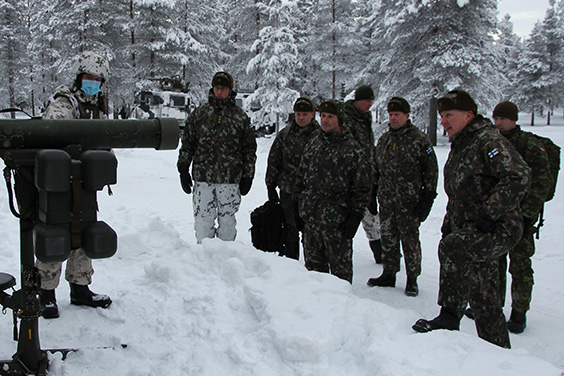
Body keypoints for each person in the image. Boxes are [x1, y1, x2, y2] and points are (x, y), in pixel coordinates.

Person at [412, 90, 531, 349]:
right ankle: (499, 352)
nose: (443, 121)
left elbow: (519, 175)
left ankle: (449, 316)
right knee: (483, 295)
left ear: (468, 115)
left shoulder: (487, 141)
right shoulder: (462, 143)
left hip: (498, 228)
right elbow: (459, 194)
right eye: (442, 116)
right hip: (472, 227)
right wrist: (449, 224)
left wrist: (490, 213)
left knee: (454, 247)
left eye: (449, 115)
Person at [38, 51, 113, 319]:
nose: (92, 83)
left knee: (84, 229)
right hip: (59, 179)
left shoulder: (98, 105)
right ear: (79, 77)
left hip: (86, 180)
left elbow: (105, 137)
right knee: (57, 231)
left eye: (97, 79)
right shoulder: (64, 101)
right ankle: (46, 293)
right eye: (89, 78)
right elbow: (55, 132)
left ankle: (80, 287)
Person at [367, 97, 438, 297]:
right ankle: (389, 273)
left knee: (410, 241)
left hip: (410, 203)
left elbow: (431, 171)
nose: (393, 118)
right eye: (390, 115)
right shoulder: (385, 140)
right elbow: (375, 167)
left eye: (397, 115)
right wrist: (372, 192)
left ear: (407, 116)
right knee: (388, 238)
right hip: (387, 201)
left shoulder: (419, 140)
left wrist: (428, 198)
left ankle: (412, 278)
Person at [295, 100, 371, 283]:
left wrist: (355, 216)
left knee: (340, 279)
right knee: (313, 276)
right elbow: (301, 177)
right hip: (312, 222)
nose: (325, 120)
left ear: (340, 119)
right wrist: (298, 208)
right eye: (322, 116)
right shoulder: (314, 144)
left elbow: (363, 187)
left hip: (338, 225)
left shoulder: (353, 149)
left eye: (330, 116)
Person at [492, 101, 551, 333]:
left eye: (502, 119)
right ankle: (492, 304)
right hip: (498, 214)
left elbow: (541, 184)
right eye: (496, 119)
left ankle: (519, 313)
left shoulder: (529, 145)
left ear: (513, 119)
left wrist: (527, 215)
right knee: (494, 262)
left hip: (521, 218)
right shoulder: (494, 143)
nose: (498, 123)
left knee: (520, 266)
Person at [177, 71, 257, 243]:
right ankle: (204, 259)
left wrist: (248, 175)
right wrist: (183, 167)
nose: (219, 92)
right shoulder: (200, 114)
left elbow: (249, 149)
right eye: (216, 88)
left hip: (230, 179)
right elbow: (188, 143)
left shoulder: (239, 116)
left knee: (227, 223)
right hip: (203, 177)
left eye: (223, 88)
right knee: (203, 221)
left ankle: (225, 262)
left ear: (230, 90)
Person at [265, 97, 321, 259]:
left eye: (305, 114)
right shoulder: (285, 134)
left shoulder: (321, 135)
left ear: (312, 114)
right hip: (288, 191)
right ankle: (291, 265)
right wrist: (271, 185)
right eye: (298, 114)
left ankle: (313, 266)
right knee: (290, 228)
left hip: (312, 194)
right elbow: (274, 160)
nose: (301, 117)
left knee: (311, 231)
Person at [340, 86, 382, 263]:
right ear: (358, 101)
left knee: (371, 216)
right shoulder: (347, 118)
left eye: (372, 100)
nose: (370, 104)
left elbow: (368, 147)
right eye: (367, 101)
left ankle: (381, 253)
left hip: (367, 174)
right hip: (350, 177)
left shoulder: (365, 117)